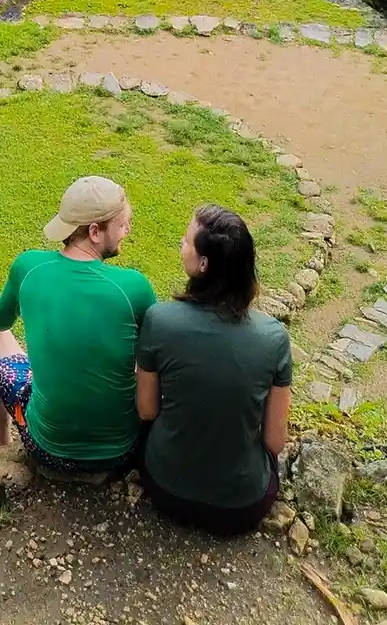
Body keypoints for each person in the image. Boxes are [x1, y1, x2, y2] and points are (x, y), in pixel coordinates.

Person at [0, 176, 156, 475]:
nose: (127, 230)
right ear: (94, 231)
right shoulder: (135, 287)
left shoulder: (28, 267)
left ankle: (0, 448)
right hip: (121, 452)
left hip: (48, 449)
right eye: (122, 224)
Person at [135, 205, 292, 535]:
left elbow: (147, 411)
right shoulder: (274, 337)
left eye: (187, 240)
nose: (181, 241)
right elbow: (275, 441)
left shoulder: (159, 319)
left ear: (203, 264)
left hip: (165, 490)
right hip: (241, 507)